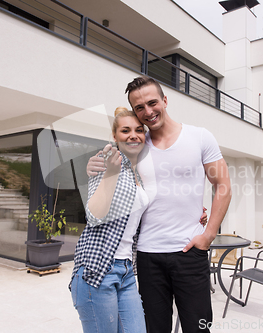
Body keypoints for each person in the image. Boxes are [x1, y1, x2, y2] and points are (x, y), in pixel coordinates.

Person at [87, 77, 232, 333]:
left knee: (198, 328)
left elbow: (223, 186)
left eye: (152, 103)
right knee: (155, 329)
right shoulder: (136, 146)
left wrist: (208, 234)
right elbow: (109, 170)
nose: (148, 112)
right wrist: (92, 165)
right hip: (147, 255)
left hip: (190, 251)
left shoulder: (200, 137)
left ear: (165, 100)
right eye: (139, 107)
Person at [70, 107, 148, 333]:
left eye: (139, 130)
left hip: (126, 271)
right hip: (97, 268)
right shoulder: (105, 162)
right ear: (114, 137)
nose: (133, 135)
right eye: (125, 130)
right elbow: (94, 216)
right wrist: (110, 174)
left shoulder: (139, 175)